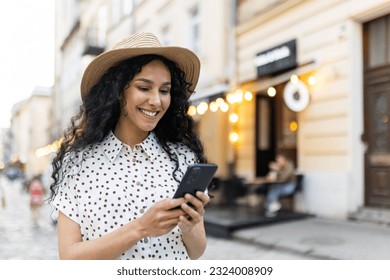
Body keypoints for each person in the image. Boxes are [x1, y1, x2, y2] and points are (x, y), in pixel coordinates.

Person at [49, 32, 211, 260]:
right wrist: (141, 228)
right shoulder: (78, 164)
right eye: (144, 88)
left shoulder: (184, 158)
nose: (156, 100)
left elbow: (197, 251)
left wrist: (190, 226)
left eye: (164, 90)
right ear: (117, 92)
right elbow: (69, 257)